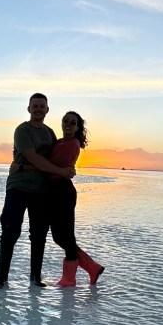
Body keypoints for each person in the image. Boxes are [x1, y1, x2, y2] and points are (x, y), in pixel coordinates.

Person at [0, 93, 75, 289]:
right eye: (35, 106)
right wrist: (61, 171)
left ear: (47, 110)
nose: (38, 109)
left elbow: (53, 160)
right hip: (18, 186)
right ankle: (1, 278)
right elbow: (35, 158)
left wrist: (66, 169)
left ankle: (35, 277)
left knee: (39, 233)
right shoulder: (22, 130)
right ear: (29, 108)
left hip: (41, 190)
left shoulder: (50, 133)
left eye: (41, 106)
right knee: (10, 231)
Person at [46, 111, 105, 288]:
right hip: (55, 190)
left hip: (63, 191)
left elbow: (51, 163)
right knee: (59, 236)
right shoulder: (59, 141)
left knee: (65, 236)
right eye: (66, 121)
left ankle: (70, 279)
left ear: (77, 127)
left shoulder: (72, 144)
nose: (68, 124)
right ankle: (92, 267)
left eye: (73, 122)